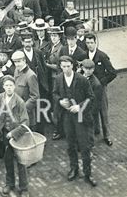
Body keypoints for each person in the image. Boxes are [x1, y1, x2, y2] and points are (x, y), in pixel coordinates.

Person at [53, 55, 96, 187]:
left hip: (81, 117)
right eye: (63, 66)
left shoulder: (82, 79)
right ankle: (74, 169)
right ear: (60, 66)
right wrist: (60, 101)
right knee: (70, 144)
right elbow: (54, 93)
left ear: (73, 66)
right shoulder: (59, 78)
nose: (66, 69)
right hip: (67, 117)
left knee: (84, 146)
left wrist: (79, 106)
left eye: (68, 66)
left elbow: (91, 97)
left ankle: (88, 174)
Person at [0, 75, 30, 197]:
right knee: (8, 159)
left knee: (21, 161)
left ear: (14, 86)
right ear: (3, 87)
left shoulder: (19, 102)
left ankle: (24, 187)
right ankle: (10, 183)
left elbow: (26, 122)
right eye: (6, 85)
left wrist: (14, 133)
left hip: (17, 136)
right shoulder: (1, 97)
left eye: (11, 85)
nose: (9, 88)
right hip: (5, 134)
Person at [84, 33, 116, 146]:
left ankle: (107, 135)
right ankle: (96, 130)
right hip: (89, 88)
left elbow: (112, 73)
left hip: (100, 88)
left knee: (103, 111)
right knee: (92, 109)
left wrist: (101, 82)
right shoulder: (85, 54)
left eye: (91, 43)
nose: (89, 45)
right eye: (87, 43)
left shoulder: (102, 56)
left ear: (95, 42)